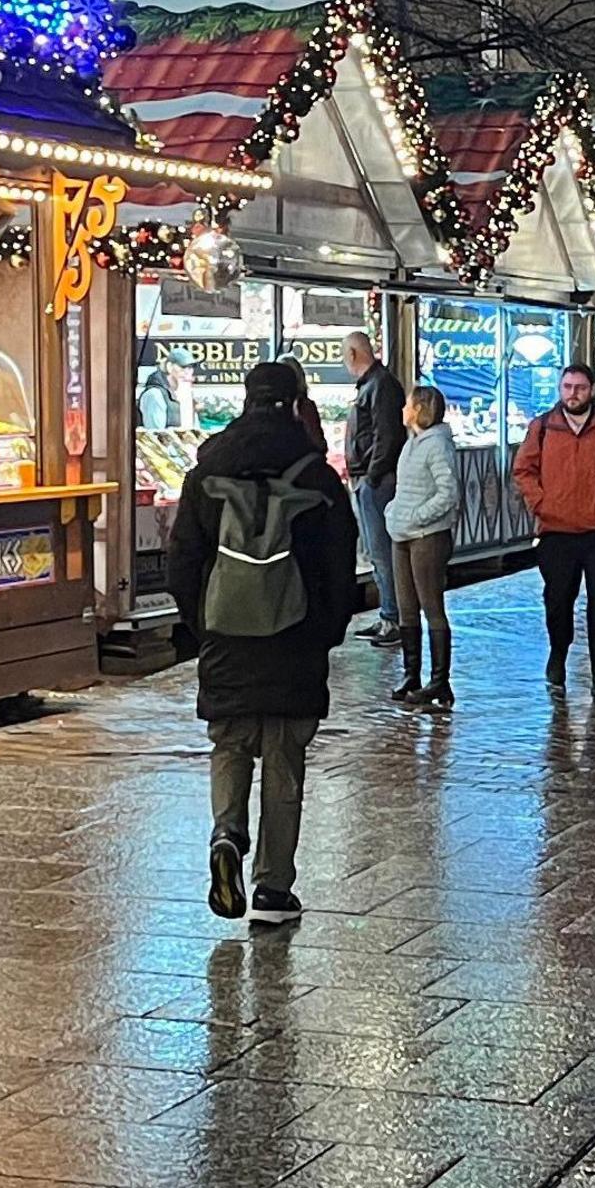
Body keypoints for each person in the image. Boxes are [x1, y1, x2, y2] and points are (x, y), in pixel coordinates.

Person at [163, 360, 361, 927]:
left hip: (226, 636)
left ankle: (227, 834)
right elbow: (340, 565)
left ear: (246, 400)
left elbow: (182, 561)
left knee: (229, 742)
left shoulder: (207, 471)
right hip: (295, 638)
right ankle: (273, 890)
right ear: (297, 402)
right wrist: (326, 630)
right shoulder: (317, 477)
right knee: (284, 758)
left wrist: (205, 625)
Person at [513, 362, 595, 701]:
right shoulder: (543, 427)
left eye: (580, 388)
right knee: (557, 600)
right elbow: (524, 469)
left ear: (592, 390)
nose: (573, 394)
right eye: (568, 387)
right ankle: (558, 652)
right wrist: (541, 504)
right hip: (556, 531)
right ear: (560, 389)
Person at [383, 386, 461, 710]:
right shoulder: (411, 443)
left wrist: (417, 515)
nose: (403, 409)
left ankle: (440, 680)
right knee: (406, 605)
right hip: (402, 534)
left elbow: (448, 492)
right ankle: (411, 674)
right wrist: (394, 512)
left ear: (419, 409)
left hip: (428, 536)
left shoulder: (437, 445)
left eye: (408, 404)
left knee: (431, 605)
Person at [342, 332, 409, 646]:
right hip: (369, 479)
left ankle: (394, 618)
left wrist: (372, 476)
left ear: (354, 354)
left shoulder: (380, 385)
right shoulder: (372, 385)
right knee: (375, 552)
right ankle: (387, 614)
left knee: (382, 552)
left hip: (378, 482)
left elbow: (387, 435)